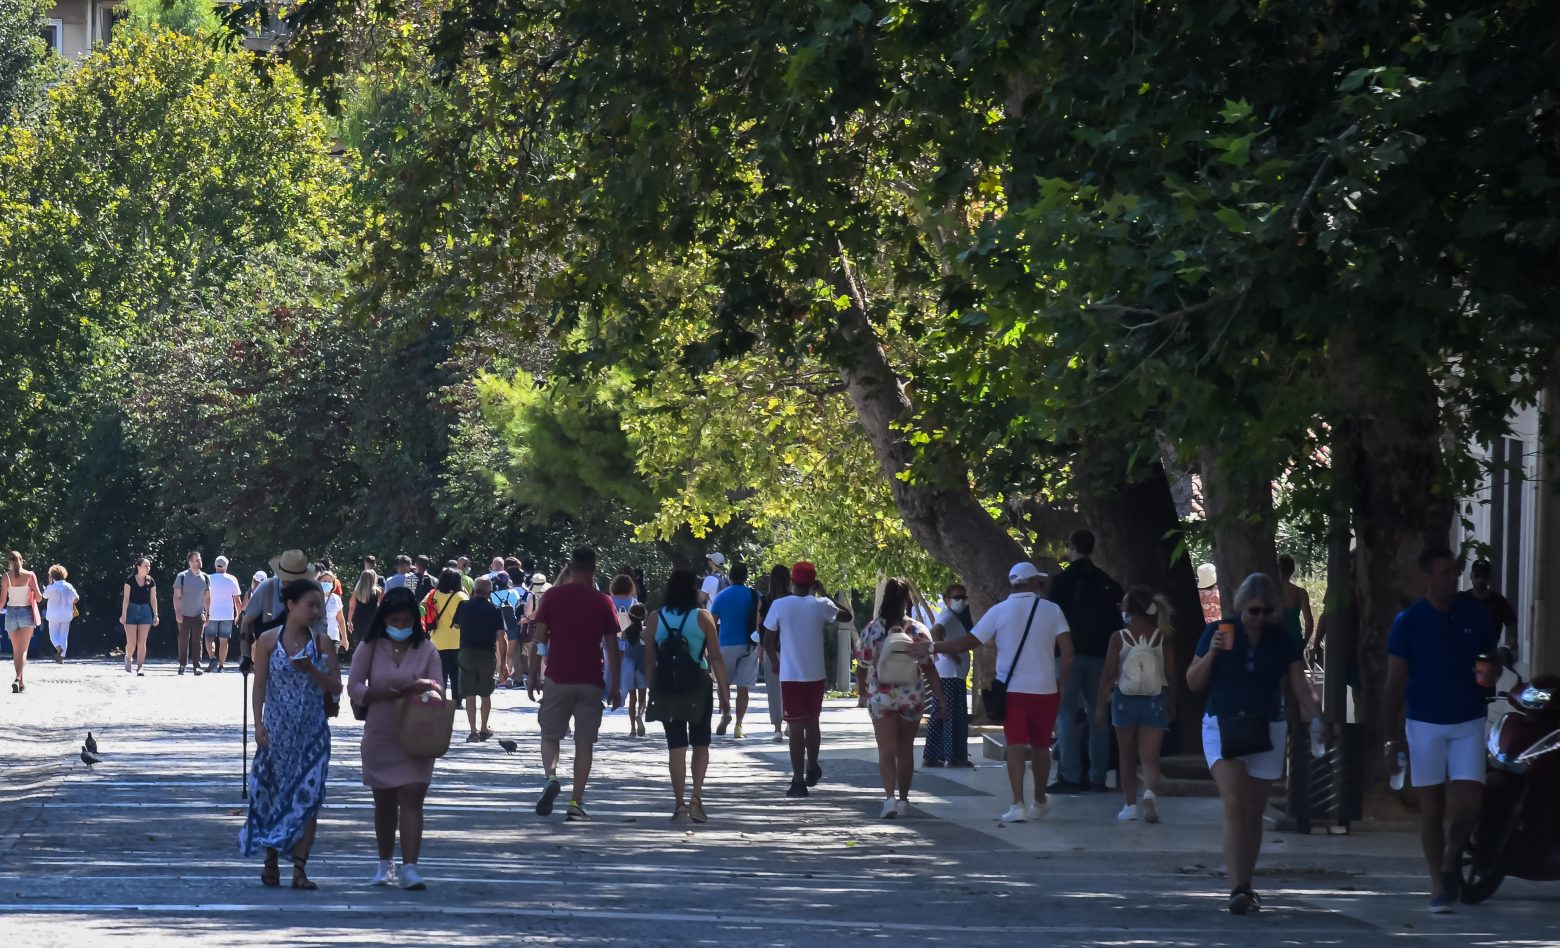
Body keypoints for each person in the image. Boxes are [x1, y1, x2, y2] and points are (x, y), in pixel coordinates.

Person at [1187, 572, 1324, 915]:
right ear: (1240, 608)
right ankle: (1236, 886)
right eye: (1252, 611)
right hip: (1224, 723)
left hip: (1267, 725)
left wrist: (1319, 717)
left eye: (1265, 611)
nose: (1258, 618)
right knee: (1234, 804)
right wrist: (1213, 654)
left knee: (1253, 811)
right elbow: (1193, 681)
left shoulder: (1280, 640)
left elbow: (1299, 686)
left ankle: (1247, 884)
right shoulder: (1218, 632)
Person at [1385, 547, 1497, 914]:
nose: (1454, 578)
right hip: (1424, 723)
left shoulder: (1475, 614)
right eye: (1446, 572)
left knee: (1470, 803)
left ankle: (1451, 857)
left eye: (1455, 572)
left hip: (1468, 718)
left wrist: (1488, 673)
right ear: (1427, 578)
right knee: (1431, 807)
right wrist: (1391, 736)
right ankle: (1437, 885)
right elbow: (1394, 682)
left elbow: (1485, 658)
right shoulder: (1409, 621)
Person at [920, 562, 1072, 823]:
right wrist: (1062, 682)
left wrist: (933, 647)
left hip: (1012, 691)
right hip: (1045, 690)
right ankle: (1039, 799)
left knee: (1014, 745)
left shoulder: (999, 611)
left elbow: (970, 642)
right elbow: (1068, 652)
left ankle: (1017, 804)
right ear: (1034, 583)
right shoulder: (1052, 610)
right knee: (1041, 746)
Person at [239, 579, 341, 890]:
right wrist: (258, 724)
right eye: (310, 605)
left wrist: (312, 669)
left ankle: (300, 869)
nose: (315, 611)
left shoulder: (322, 643)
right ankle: (270, 861)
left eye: (318, 606)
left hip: (312, 737)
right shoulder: (269, 641)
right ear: (291, 605)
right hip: (276, 736)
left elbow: (336, 687)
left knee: (308, 801)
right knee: (270, 797)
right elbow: (259, 686)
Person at [347, 586, 444, 890]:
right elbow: (353, 686)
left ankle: (411, 866)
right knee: (384, 801)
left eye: (405, 621)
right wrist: (381, 693)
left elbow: (440, 690)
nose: (400, 627)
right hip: (380, 730)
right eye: (394, 621)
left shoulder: (428, 650)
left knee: (413, 797)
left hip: (418, 732)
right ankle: (384, 863)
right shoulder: (370, 646)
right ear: (384, 620)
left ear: (415, 620)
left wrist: (424, 688)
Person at [528, 547, 622, 822]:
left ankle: (551, 777)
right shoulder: (603, 601)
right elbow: (612, 648)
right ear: (594, 569)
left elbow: (540, 640)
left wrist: (533, 675)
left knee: (550, 734)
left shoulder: (553, 597)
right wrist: (615, 686)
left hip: (558, 677)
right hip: (591, 679)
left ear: (570, 567)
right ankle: (575, 802)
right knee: (584, 743)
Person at [644, 568, 731, 823]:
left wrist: (653, 689)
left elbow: (649, 661)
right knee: (701, 744)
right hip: (699, 686)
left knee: (676, 746)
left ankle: (679, 803)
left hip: (667, 687)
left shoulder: (654, 618)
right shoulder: (703, 617)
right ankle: (696, 798)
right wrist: (725, 693)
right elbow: (715, 657)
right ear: (694, 590)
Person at [761, 561, 853, 798]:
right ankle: (812, 766)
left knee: (795, 726)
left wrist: (773, 660)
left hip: (790, 675)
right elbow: (847, 616)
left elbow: (768, 641)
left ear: (792, 581)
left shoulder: (780, 605)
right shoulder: (820, 605)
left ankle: (798, 781)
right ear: (813, 583)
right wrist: (826, 594)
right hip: (816, 674)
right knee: (812, 723)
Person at [1046, 528, 1124, 794]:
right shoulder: (1106, 582)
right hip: (1100, 656)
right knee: (1098, 715)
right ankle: (1097, 776)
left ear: (1072, 547)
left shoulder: (1061, 581)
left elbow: (1051, 620)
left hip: (1067, 654)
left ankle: (1070, 775)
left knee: (1066, 714)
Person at [855, 577, 940, 818]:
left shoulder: (873, 628)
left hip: (881, 695)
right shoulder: (917, 630)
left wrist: (862, 690)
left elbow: (862, 662)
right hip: (911, 696)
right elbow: (930, 668)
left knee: (886, 749)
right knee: (905, 749)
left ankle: (889, 799)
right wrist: (941, 700)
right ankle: (904, 799)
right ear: (906, 600)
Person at [1095, 585, 1178, 823]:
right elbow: (1171, 675)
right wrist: (1172, 702)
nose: (1120, 607)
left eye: (1123, 603)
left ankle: (1130, 805)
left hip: (1124, 701)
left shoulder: (1118, 637)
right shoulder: (1163, 637)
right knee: (1150, 757)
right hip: (1155, 699)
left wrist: (1100, 705)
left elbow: (1109, 674)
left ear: (1130, 608)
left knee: (1126, 755)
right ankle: (1150, 791)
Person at [923, 582, 974, 768]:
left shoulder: (953, 618)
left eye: (963, 597)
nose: (961, 601)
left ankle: (933, 755)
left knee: (942, 715)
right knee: (953, 716)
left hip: (951, 675)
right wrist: (948, 652)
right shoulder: (946, 617)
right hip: (949, 675)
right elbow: (935, 633)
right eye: (957, 597)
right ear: (946, 600)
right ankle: (953, 757)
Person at [710, 562, 763, 739]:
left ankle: (726, 713)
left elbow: (712, 622)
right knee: (743, 688)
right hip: (749, 644)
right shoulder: (755, 595)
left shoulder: (721, 596)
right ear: (746, 577)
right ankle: (739, 725)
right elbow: (762, 620)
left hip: (725, 644)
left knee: (723, 683)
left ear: (730, 577)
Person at [455, 576, 502, 742]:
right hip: (487, 653)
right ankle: (484, 728)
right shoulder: (494, 609)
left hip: (466, 652)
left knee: (469, 693)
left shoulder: (464, 606)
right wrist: (502, 661)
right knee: (486, 693)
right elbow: (501, 635)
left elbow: (456, 625)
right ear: (489, 592)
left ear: (474, 590)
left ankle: (473, 730)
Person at [609, 573, 647, 735]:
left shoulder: (610, 602)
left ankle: (631, 727)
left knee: (631, 696)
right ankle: (640, 715)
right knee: (642, 694)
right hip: (640, 657)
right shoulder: (634, 603)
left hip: (618, 647)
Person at [1458, 559, 1518, 659]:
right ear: (1471, 576)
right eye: (1477, 576)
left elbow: (1511, 621)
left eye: (1484, 576)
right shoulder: (1462, 599)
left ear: (1489, 578)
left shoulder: (1499, 601)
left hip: (1489, 653)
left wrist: (1513, 639)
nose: (1480, 580)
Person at [424, 569, 467, 705]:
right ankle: (457, 700)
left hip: (437, 639)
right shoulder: (461, 596)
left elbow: (421, 607)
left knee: (440, 673)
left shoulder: (433, 594)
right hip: (457, 639)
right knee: (456, 673)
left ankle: (439, 699)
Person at [758, 564, 790, 743]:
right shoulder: (792, 600)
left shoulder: (765, 600)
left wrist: (761, 650)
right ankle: (789, 724)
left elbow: (761, 627)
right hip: (789, 650)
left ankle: (777, 728)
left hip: (770, 649)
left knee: (773, 690)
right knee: (789, 688)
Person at [172, 551, 210, 677]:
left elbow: (207, 597)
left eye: (200, 559)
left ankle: (197, 667)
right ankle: (182, 664)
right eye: (197, 560)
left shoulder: (205, 577)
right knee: (183, 640)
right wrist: (177, 612)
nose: (200, 561)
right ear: (190, 562)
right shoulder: (182, 576)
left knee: (197, 640)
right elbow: (176, 596)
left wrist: (208, 613)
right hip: (184, 614)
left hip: (199, 614)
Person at [204, 556, 244, 673]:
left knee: (209, 638)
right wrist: (239, 615)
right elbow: (237, 600)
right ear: (226, 566)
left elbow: (205, 597)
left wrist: (205, 611)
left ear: (215, 566)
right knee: (224, 641)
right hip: (227, 614)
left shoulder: (209, 578)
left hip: (212, 613)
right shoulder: (232, 579)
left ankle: (212, 658)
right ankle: (221, 665)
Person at [120, 557, 157, 676]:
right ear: (138, 567)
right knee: (131, 642)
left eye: (149, 566)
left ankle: (140, 667)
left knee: (142, 642)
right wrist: (124, 614)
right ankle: (128, 657)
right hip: (131, 610)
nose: (148, 568)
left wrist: (155, 615)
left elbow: (153, 599)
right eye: (145, 566)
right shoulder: (129, 580)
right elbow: (126, 598)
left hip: (145, 611)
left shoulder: (150, 581)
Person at [1278, 554, 1314, 658]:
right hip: (1294, 642)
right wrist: (1304, 643)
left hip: (1274, 642)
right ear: (1292, 570)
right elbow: (1309, 622)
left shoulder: (1271, 591)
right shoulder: (1300, 593)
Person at [490, 571, 522, 689]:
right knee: (510, 654)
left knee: (499, 653)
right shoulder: (513, 592)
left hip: (498, 626)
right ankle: (508, 677)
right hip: (511, 624)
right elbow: (517, 605)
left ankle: (500, 678)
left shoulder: (493, 595)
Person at [41, 564, 78, 664]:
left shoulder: (51, 587)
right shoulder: (68, 586)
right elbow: (76, 598)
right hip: (66, 615)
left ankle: (58, 648)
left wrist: (49, 585)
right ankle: (61, 659)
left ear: (52, 576)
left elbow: (44, 596)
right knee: (64, 636)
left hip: (53, 615)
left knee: (53, 636)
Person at [347, 568, 383, 651]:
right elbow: (383, 606)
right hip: (372, 621)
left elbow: (352, 608)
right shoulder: (378, 591)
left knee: (359, 643)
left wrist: (349, 622)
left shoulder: (356, 592)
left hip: (358, 621)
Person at [318, 571, 349, 654]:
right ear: (319, 582)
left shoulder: (336, 599)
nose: (327, 583)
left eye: (329, 581)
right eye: (324, 581)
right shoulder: (313, 597)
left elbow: (340, 620)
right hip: (316, 638)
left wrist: (344, 638)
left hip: (333, 638)